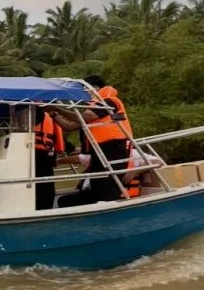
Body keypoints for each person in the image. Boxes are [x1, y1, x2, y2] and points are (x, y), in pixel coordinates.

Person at [52, 76, 133, 207]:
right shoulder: (93, 106)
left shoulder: (110, 101)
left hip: (115, 147)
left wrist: (60, 109)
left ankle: (109, 206)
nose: (84, 94)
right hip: (98, 149)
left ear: (95, 88)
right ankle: (90, 205)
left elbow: (86, 117)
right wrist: (54, 114)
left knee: (109, 182)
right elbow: (69, 126)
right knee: (96, 181)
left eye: (85, 90)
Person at [34, 109, 66, 210]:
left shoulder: (47, 115)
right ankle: (43, 209)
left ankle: (44, 208)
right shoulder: (35, 110)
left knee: (46, 187)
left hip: (43, 154)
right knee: (44, 187)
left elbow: (56, 137)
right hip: (35, 153)